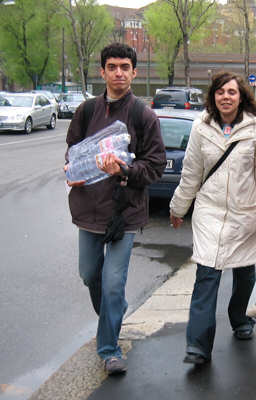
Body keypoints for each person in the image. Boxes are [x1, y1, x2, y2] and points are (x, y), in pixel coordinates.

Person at [64, 43, 166, 375]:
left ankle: (109, 349)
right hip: (88, 210)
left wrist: (124, 170)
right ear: (102, 72)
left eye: (125, 67)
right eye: (112, 67)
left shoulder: (143, 115)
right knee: (89, 275)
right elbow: (73, 151)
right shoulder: (86, 111)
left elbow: (155, 166)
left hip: (124, 214)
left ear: (134, 72)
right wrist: (71, 169)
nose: (118, 73)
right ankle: (115, 310)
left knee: (112, 284)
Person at [169, 71, 256, 365]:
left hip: (247, 215)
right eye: (220, 92)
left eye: (231, 92)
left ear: (241, 96)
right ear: (213, 96)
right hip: (210, 213)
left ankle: (242, 319)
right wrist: (178, 208)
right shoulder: (201, 127)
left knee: (244, 273)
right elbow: (191, 173)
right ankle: (197, 346)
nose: (226, 97)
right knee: (207, 275)